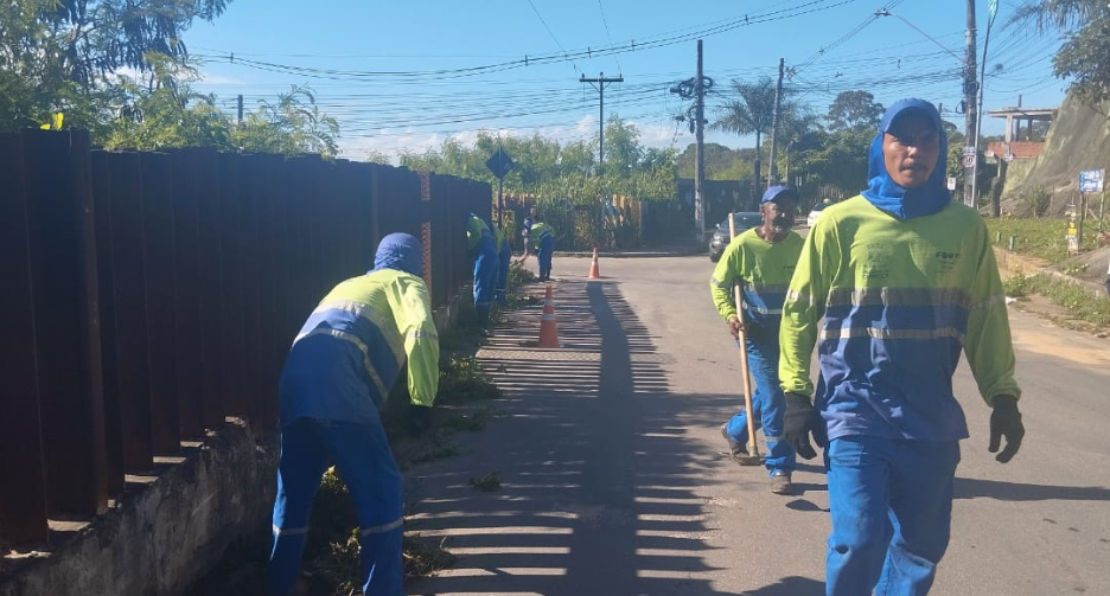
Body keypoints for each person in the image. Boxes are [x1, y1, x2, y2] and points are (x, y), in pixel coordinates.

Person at [778, 99, 1025, 596]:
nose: (915, 150)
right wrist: (795, 393)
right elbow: (800, 310)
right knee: (859, 537)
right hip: (854, 408)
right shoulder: (839, 223)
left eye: (927, 139)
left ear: (942, 150)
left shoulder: (965, 227)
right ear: (882, 146)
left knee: (922, 544)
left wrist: (1003, 396)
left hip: (930, 415)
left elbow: (985, 317)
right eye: (902, 139)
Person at [268, 233, 440, 596]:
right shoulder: (406, 281)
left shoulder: (352, 283)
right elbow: (421, 330)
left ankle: (281, 584)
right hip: (339, 385)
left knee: (294, 491)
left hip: (295, 383)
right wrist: (421, 401)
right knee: (382, 491)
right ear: (416, 262)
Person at [710, 186, 804, 495]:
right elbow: (719, 285)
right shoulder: (742, 246)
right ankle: (780, 466)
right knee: (776, 397)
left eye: (791, 208)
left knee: (779, 392)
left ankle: (735, 429)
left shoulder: (799, 247)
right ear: (764, 210)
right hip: (755, 333)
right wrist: (729, 315)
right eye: (779, 208)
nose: (786, 214)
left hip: (790, 335)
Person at [467, 212, 499, 323]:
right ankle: (487, 317)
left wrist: (469, 250)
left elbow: (475, 234)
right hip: (493, 254)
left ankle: (481, 320)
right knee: (489, 286)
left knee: (480, 285)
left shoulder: (470, 220)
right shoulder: (481, 221)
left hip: (483, 255)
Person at [520, 214, 556, 282]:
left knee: (541, 258)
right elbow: (552, 230)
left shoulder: (533, 229)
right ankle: (547, 276)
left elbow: (535, 240)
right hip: (551, 241)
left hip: (545, 242)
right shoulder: (541, 225)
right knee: (548, 259)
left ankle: (541, 278)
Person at [493, 222, 513, 306]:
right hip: (503, 250)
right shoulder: (490, 227)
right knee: (500, 275)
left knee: (500, 275)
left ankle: (499, 299)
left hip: (503, 251)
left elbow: (497, 242)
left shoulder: (490, 229)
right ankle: (499, 298)